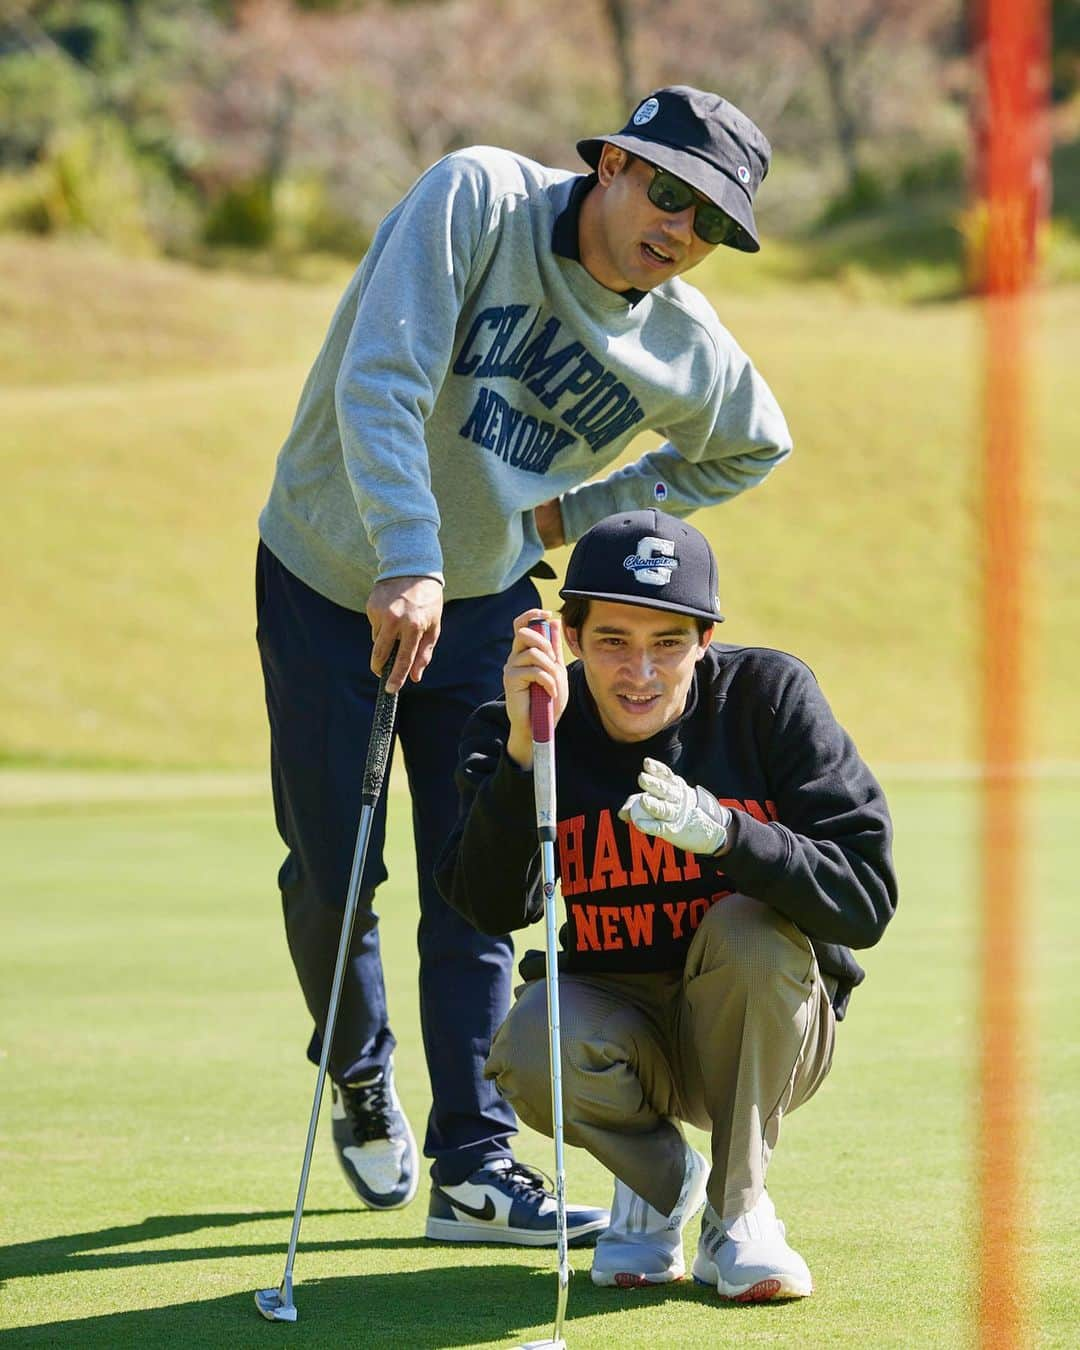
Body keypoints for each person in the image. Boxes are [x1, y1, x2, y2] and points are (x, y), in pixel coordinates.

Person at [255, 85, 793, 1245]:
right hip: (326, 570)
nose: (679, 230)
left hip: (488, 593)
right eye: (667, 191)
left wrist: (561, 522)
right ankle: (357, 1070)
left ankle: (474, 1162)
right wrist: (409, 554)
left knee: (479, 876)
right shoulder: (479, 198)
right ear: (610, 163)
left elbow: (756, 444)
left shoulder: (684, 344)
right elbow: (380, 380)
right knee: (332, 871)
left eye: (709, 223)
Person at [437, 509, 896, 1293]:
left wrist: (728, 838)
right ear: (571, 638)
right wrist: (522, 755)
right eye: (613, 640)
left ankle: (739, 1212)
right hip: (617, 1025)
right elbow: (486, 906)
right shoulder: (521, 726)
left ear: (705, 642)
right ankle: (660, 1187)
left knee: (749, 929)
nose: (639, 672)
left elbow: (866, 898)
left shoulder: (769, 698)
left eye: (668, 643)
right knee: (526, 1043)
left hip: (766, 1022)